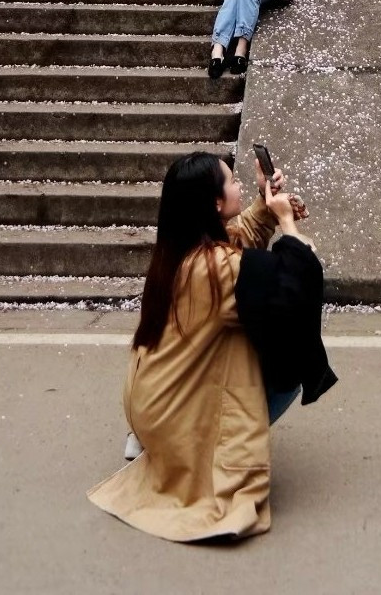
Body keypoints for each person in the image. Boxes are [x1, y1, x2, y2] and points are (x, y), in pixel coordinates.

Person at [88, 151, 331, 542]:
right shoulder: (215, 269)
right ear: (216, 203)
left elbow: (239, 242)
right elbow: (292, 288)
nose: (238, 185)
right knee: (289, 359)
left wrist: (263, 203)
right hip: (171, 419)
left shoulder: (181, 249)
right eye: (232, 182)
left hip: (148, 406)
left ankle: (158, 442)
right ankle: (200, 450)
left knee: (242, 331)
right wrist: (287, 225)